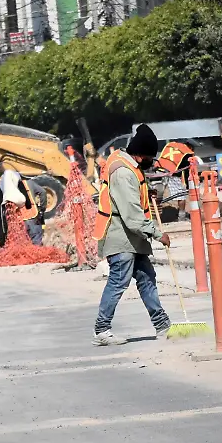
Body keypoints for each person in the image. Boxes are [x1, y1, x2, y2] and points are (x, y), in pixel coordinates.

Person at [92, 124, 172, 346]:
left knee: (147, 278)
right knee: (118, 281)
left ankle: (162, 325)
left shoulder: (128, 163)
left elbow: (133, 196)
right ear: (140, 154)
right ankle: (101, 329)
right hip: (120, 237)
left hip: (132, 238)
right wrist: (158, 234)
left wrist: (147, 192)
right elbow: (132, 216)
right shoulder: (123, 172)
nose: (150, 161)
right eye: (149, 157)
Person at [0, 169, 44, 246]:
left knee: (23, 242)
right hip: (32, 216)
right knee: (36, 241)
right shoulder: (27, 183)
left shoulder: (3, 190)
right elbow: (41, 193)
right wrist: (42, 209)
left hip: (19, 222)